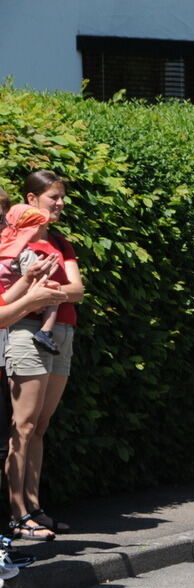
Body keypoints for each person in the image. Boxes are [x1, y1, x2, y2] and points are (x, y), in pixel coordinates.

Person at [5, 171, 84, 542]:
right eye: (53, 197)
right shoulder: (13, 242)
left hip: (61, 333)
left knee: (39, 426)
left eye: (62, 197)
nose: (60, 203)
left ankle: (34, 508)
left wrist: (52, 293)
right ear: (31, 199)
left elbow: (77, 289)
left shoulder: (60, 242)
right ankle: (17, 513)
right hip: (27, 332)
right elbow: (21, 294)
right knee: (22, 426)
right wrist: (50, 292)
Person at [0, 205, 61, 354]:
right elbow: (35, 278)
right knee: (55, 287)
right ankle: (45, 331)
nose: (4, 225)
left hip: (9, 297)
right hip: (18, 309)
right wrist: (33, 299)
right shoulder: (26, 252)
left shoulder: (6, 245)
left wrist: (27, 279)